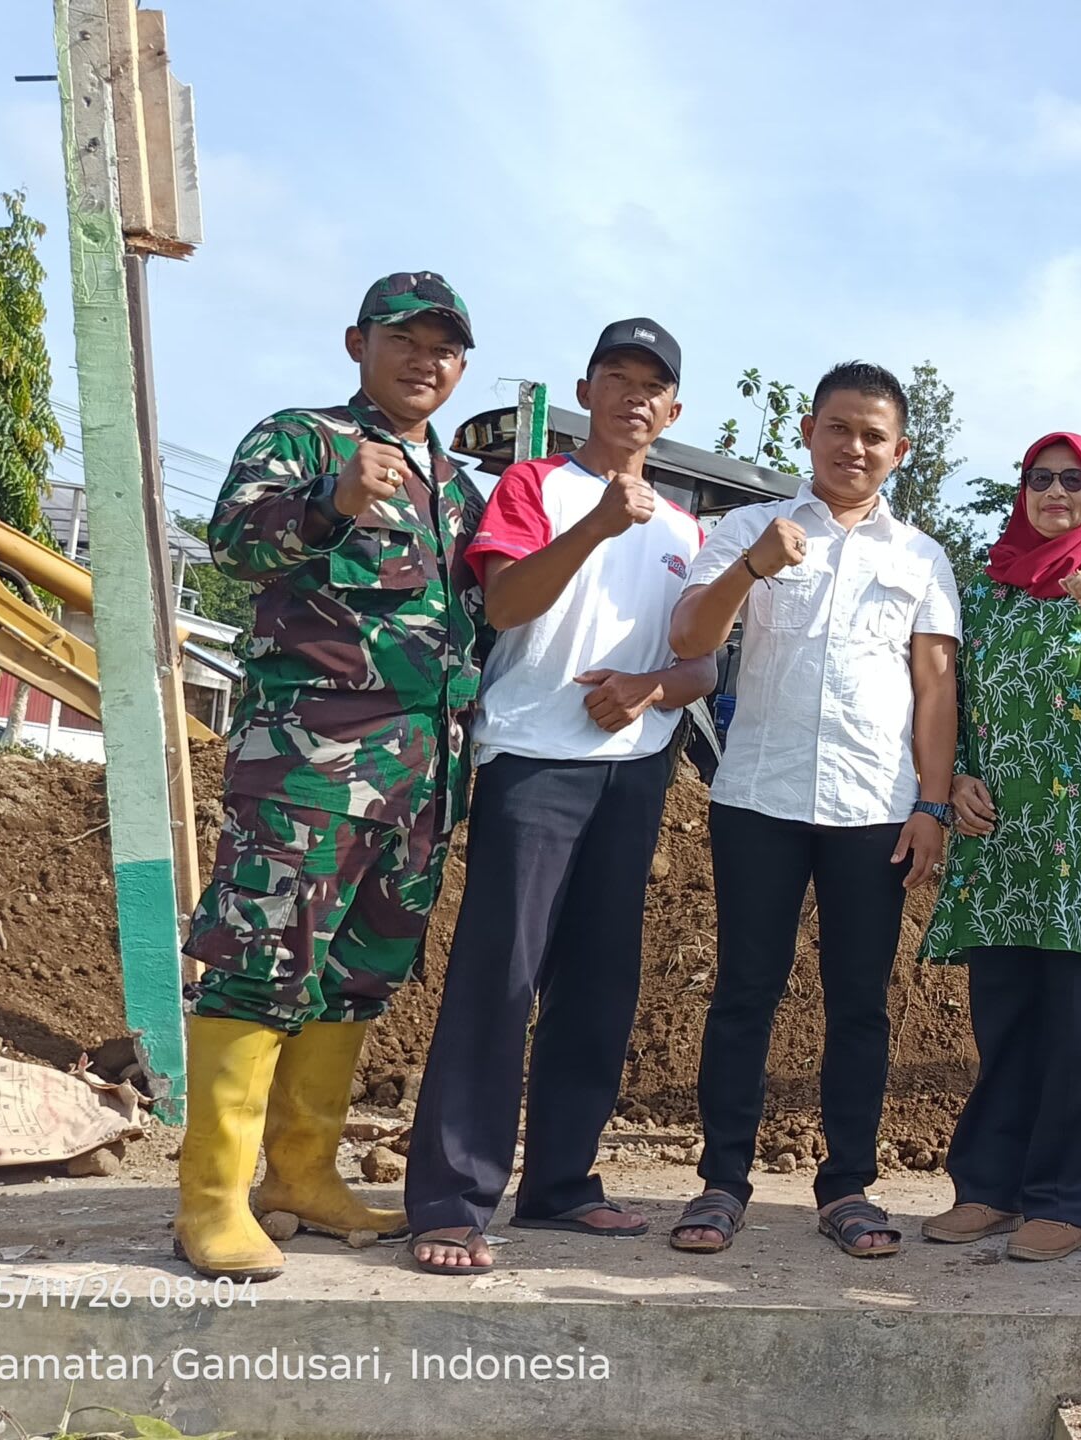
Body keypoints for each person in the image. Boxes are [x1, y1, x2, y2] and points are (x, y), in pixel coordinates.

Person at [174, 272, 486, 1281]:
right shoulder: (301, 439)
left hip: (421, 773)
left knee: (356, 974)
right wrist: (331, 504)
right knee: (262, 954)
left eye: (444, 347)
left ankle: (300, 1171)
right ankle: (210, 1200)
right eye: (405, 338)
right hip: (311, 758)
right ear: (359, 343)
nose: (424, 360)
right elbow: (232, 545)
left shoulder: (460, 487)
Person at [403, 319, 716, 1275]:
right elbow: (503, 606)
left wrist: (651, 689)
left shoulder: (686, 528)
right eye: (615, 377)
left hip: (636, 766)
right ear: (587, 389)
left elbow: (701, 662)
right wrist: (593, 524)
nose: (632, 396)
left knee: (599, 981)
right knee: (502, 973)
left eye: (650, 384)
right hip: (535, 756)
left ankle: (562, 1185)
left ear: (673, 409)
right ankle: (453, 1200)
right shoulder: (536, 485)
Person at [665, 361, 960, 1260]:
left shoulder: (920, 558)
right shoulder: (751, 529)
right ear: (809, 433)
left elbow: (936, 688)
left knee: (859, 1002)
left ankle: (848, 1188)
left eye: (874, 435)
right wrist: (753, 567)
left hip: (873, 806)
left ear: (899, 451)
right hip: (759, 793)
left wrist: (933, 806)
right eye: (839, 428)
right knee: (746, 992)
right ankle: (722, 1182)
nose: (855, 448)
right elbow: (690, 637)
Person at [917, 432, 1081, 1264]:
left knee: (1078, 1030)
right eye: (1042, 480)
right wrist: (956, 777)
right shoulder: (992, 592)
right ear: (1023, 491)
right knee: (1005, 1024)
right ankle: (989, 1189)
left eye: (1074, 481)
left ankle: (1066, 1199)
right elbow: (959, 700)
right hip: (999, 841)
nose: (1057, 493)